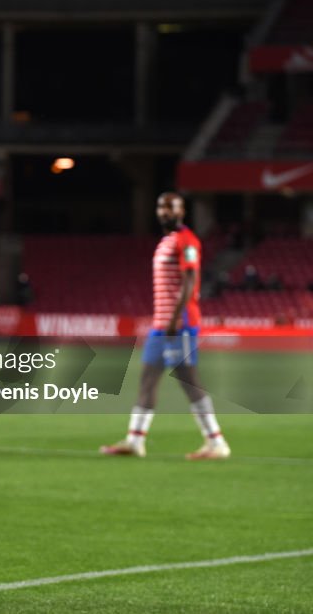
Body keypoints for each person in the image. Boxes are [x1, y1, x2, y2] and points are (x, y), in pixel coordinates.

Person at [101, 193, 230, 460]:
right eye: (161, 206)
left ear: (182, 211)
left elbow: (190, 278)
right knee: (147, 379)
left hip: (179, 324)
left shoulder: (186, 240)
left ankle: (216, 442)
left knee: (188, 380)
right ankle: (135, 441)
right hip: (161, 326)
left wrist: (175, 319)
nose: (164, 211)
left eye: (170, 207)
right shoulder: (166, 242)